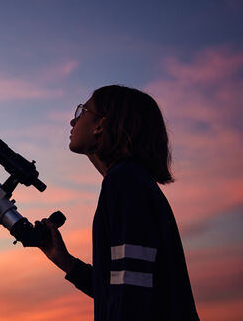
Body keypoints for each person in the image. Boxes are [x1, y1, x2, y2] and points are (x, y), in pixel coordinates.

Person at [39, 85, 199, 321]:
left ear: (100, 125)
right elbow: (118, 289)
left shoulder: (124, 181)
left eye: (82, 112)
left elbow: (132, 291)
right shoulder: (129, 181)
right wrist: (64, 260)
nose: (73, 122)